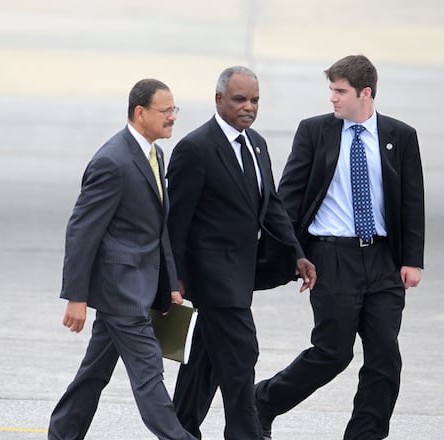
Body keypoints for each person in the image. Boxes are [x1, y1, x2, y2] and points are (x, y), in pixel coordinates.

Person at [254, 54, 425, 440]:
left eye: (340, 91)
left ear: (365, 93)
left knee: (385, 358)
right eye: (331, 90)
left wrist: (413, 260)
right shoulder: (315, 132)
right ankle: (262, 402)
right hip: (331, 257)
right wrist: (292, 253)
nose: (332, 98)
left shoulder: (401, 136)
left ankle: (365, 435)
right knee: (333, 352)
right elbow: (290, 198)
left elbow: (412, 201)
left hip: (383, 259)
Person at [166, 66, 316, 439]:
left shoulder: (257, 144)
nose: (248, 107)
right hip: (210, 279)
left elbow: (273, 206)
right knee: (240, 358)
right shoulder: (195, 148)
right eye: (239, 99)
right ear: (219, 100)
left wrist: (296, 253)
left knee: (204, 362)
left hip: (241, 274)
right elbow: (176, 223)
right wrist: (174, 278)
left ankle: (178, 430)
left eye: (254, 100)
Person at [48, 79, 195, 440]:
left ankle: (62, 434)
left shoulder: (154, 154)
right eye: (166, 111)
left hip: (141, 285)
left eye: (175, 110)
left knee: (93, 373)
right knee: (149, 374)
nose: (173, 117)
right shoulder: (112, 161)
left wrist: (169, 286)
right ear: (140, 112)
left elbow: (157, 231)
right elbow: (82, 232)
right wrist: (76, 297)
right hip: (121, 290)